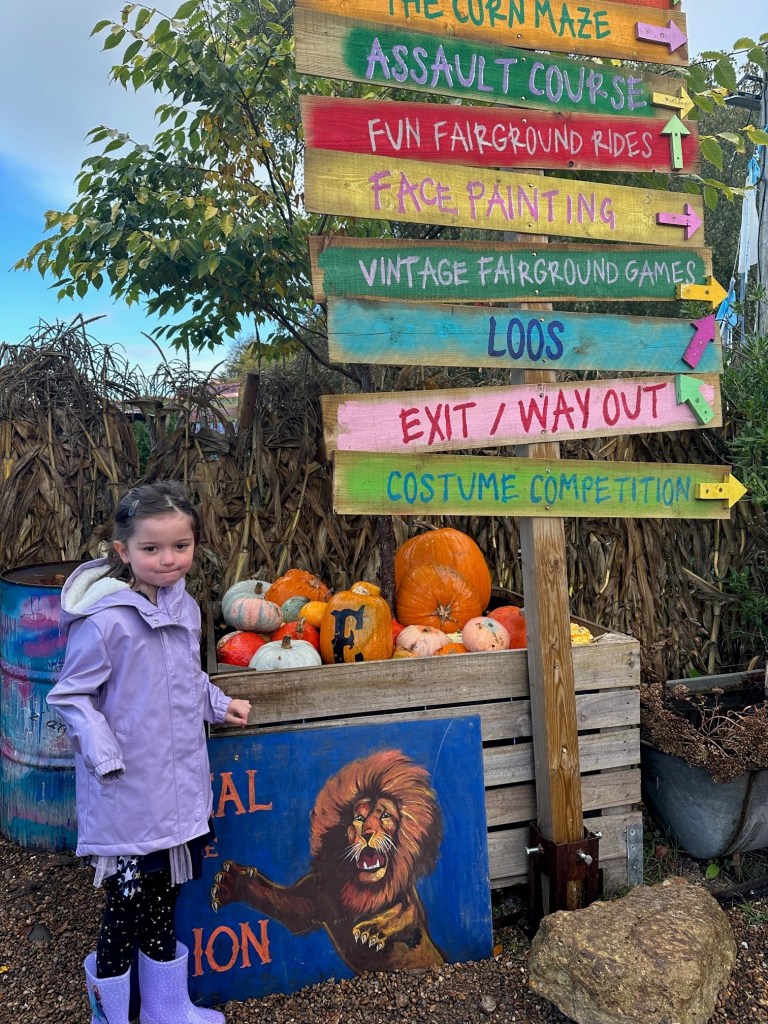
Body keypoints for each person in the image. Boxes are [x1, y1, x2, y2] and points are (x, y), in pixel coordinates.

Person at [48, 481, 252, 1024]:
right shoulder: (105, 621)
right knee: (124, 905)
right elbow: (71, 696)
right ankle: (110, 1015)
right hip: (126, 788)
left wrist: (218, 704)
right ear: (123, 550)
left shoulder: (185, 609)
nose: (168, 559)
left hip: (175, 786)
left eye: (180, 546)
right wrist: (103, 751)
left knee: (163, 895)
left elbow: (184, 679)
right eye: (152, 548)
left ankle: (167, 1008)